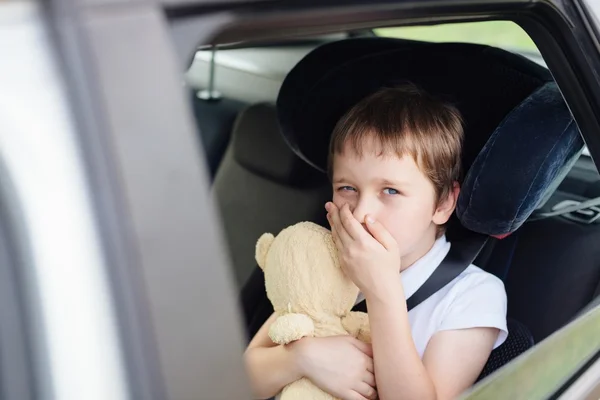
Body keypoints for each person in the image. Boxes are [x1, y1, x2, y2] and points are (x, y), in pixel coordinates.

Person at [244, 83, 508, 400]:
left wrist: (381, 290)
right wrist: (302, 358)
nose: (362, 211)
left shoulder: (473, 296)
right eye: (347, 188)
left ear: (442, 204)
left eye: (391, 191)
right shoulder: (324, 259)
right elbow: (239, 381)